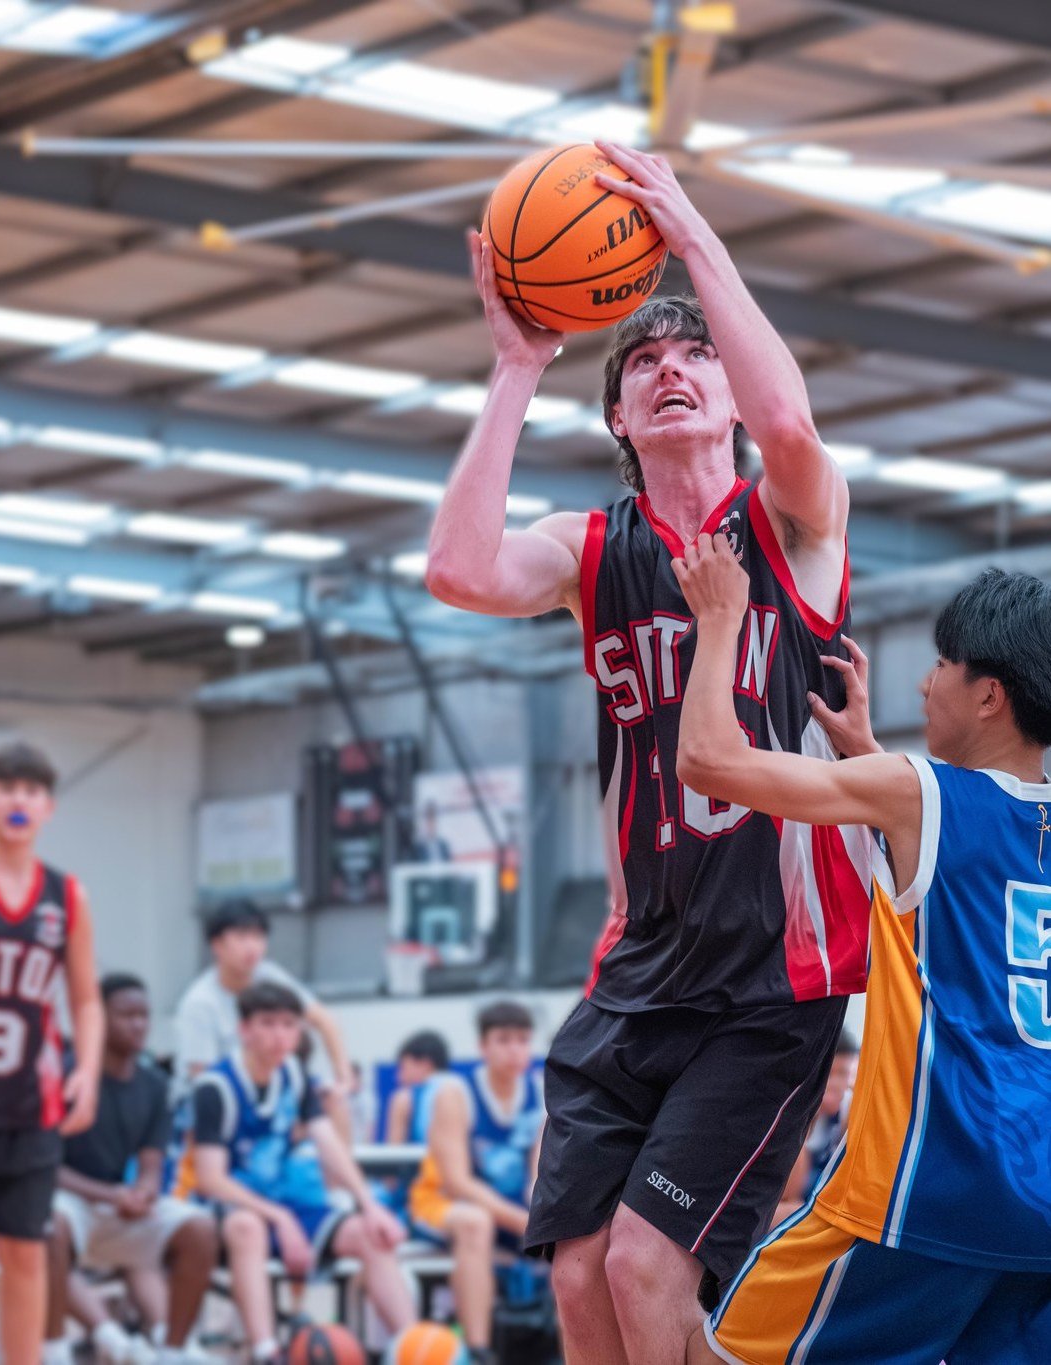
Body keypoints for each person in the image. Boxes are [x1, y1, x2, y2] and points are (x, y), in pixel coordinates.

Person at [426, 139, 871, 1359]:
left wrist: (691, 240)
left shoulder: (790, 521)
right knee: (578, 1284)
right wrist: (519, 367)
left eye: (695, 359)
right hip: (639, 972)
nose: (674, 372)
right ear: (621, 416)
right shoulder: (592, 549)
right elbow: (458, 569)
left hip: (772, 980)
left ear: (726, 395)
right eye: (645, 364)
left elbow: (789, 414)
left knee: (641, 1263)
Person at [672, 547, 1051, 1363]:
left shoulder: (919, 790)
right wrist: (865, 752)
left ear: (989, 694)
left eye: (943, 663)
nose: (926, 681)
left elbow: (709, 763)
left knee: (712, 1356)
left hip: (928, 1182)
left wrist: (717, 622)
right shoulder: (957, 803)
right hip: (1040, 1200)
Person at [0, 742, 103, 1365]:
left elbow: (87, 999)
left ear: (49, 807)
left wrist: (89, 1072)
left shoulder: (67, 896)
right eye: (7, 788)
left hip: (28, 1102)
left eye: (32, 790)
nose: (19, 799)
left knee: (24, 1252)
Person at [188, 982, 415, 1364]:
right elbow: (210, 1179)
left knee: (371, 1234)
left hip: (284, 1206)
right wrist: (278, 1217)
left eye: (289, 1025)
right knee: (248, 1227)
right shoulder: (215, 1087)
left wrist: (368, 1206)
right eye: (268, 1024)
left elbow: (330, 1146)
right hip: (227, 1211)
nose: (280, 1035)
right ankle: (267, 1352)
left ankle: (415, 1347)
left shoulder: (295, 1077)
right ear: (244, 1029)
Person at [45, 974, 218, 1365]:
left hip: (117, 1202)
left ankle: (174, 1351)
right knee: (48, 1224)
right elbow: (45, 1167)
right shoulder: (67, 1076)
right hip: (71, 1199)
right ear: (99, 1019)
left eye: (144, 1015)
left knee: (200, 1227)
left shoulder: (155, 1084)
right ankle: (62, 1349)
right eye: (127, 1015)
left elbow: (151, 1160)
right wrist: (112, 1195)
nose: (139, 1024)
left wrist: (146, 1190)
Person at [408, 1002, 544, 1361]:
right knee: (475, 1223)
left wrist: (543, 1219)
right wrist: (524, 1223)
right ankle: (478, 1350)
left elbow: (539, 1176)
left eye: (522, 1040)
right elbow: (456, 1182)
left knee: (577, 1235)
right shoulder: (456, 1092)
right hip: (440, 1205)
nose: (515, 1049)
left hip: (512, 1213)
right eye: (503, 1040)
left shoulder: (540, 1093)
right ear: (483, 1047)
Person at [172, 899, 354, 1141]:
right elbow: (202, 1080)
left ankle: (341, 1177)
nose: (252, 947)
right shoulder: (199, 1003)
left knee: (334, 1100)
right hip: (217, 1107)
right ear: (217, 945)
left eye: (259, 937)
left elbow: (325, 1021)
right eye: (241, 937)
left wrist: (344, 1079)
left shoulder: (269, 975)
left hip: (268, 1093)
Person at [770, 1030, 859, 1227]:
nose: (835, 1084)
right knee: (789, 1212)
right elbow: (788, 1193)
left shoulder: (850, 1109)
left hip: (819, 1195)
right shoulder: (795, 1107)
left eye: (842, 1073)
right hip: (790, 1197)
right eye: (830, 1073)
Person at [385, 1030, 452, 1144]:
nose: (398, 1077)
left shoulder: (404, 1099)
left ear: (425, 1064)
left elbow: (393, 1152)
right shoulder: (462, 1092)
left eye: (402, 1068)